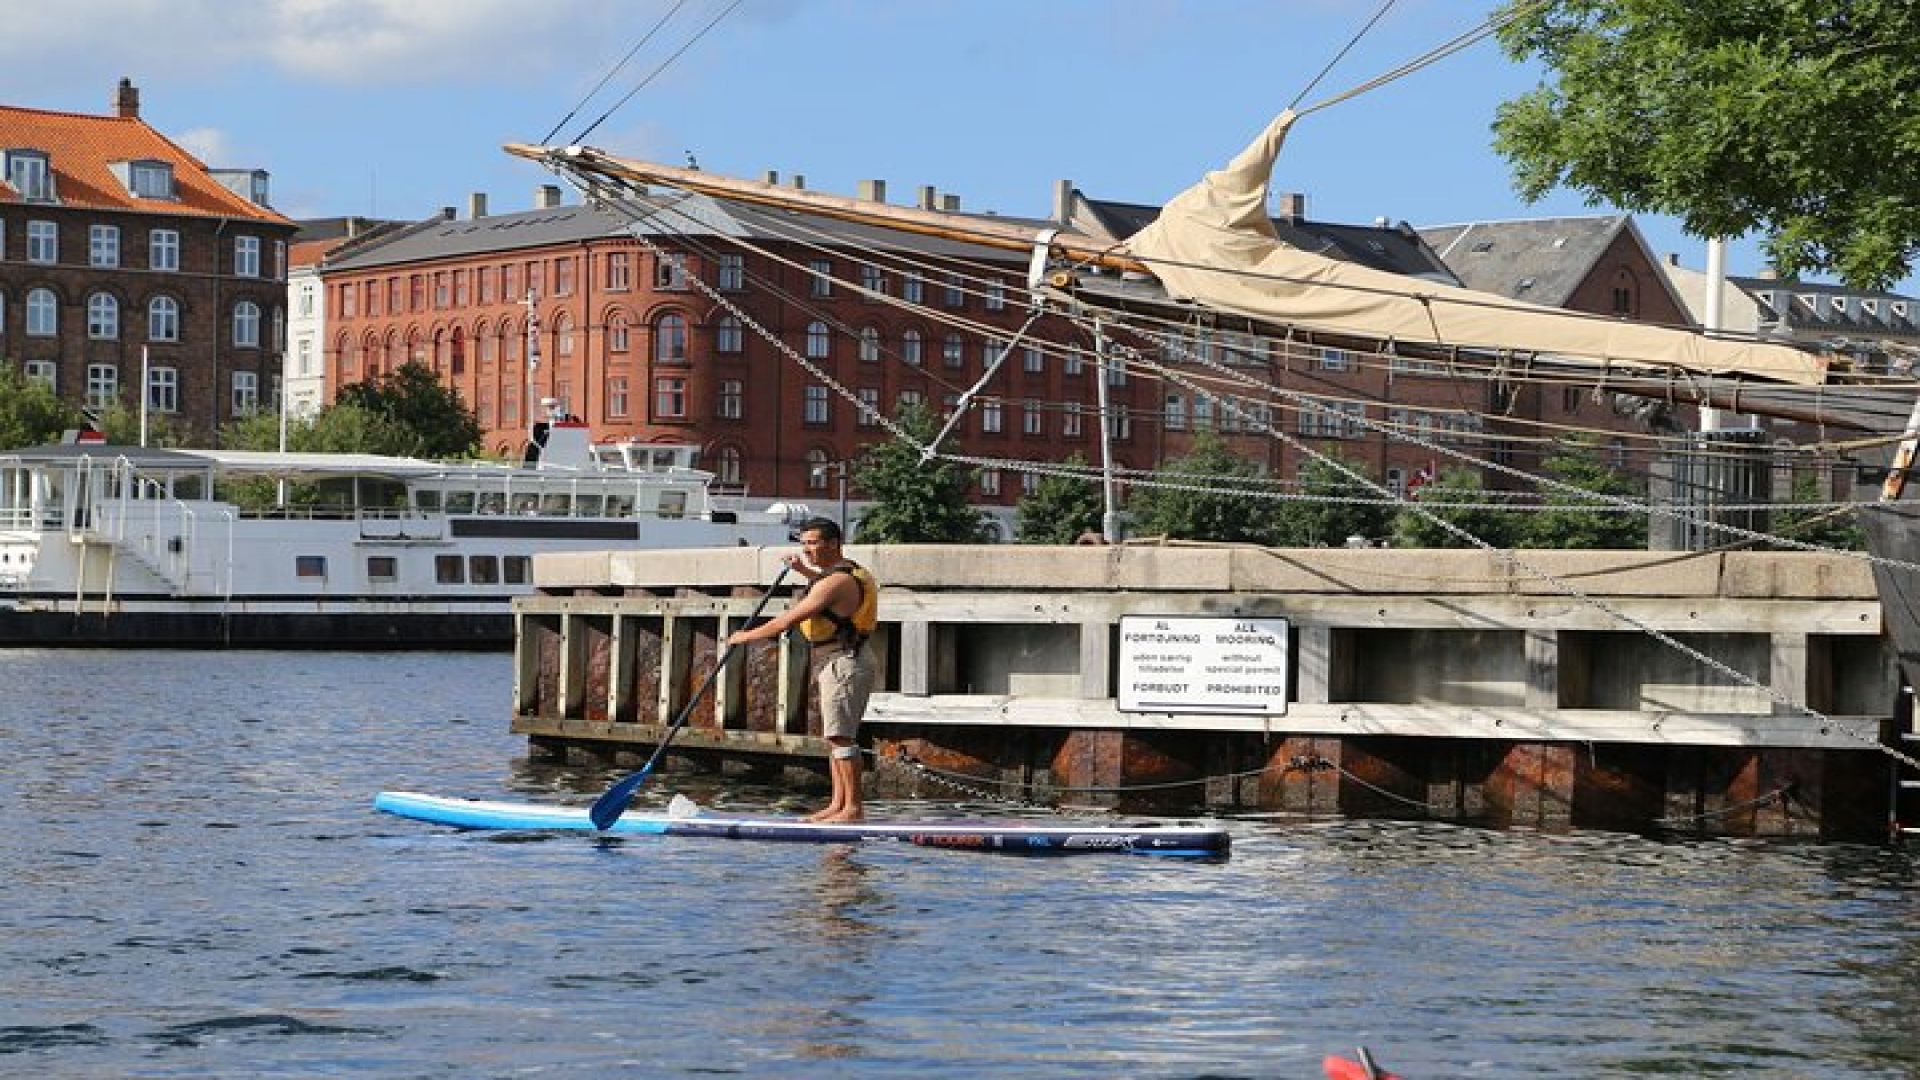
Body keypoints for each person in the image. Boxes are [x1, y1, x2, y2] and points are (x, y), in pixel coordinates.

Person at [725, 517, 878, 822]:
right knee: (834, 737)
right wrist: (804, 571)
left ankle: (853, 809)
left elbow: (787, 621)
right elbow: (822, 586)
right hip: (835, 660)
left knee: (841, 738)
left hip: (844, 661)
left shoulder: (838, 581)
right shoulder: (840, 574)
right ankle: (838, 804)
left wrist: (744, 637)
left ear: (833, 543)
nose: (807, 549)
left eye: (813, 543)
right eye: (803, 543)